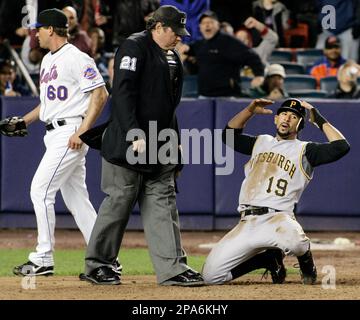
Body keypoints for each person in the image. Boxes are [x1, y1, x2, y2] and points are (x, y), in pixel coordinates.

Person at [82, 5, 204, 286]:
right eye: (176, 32)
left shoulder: (172, 56)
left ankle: (173, 268)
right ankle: (98, 265)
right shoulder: (134, 46)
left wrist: (175, 142)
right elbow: (122, 93)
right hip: (129, 143)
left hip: (160, 144)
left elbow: (167, 108)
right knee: (119, 203)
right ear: (159, 27)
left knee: (164, 203)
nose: (180, 38)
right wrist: (134, 133)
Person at [202, 98, 350, 285]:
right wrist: (249, 110)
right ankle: (267, 260)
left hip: (278, 219)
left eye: (294, 116)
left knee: (297, 242)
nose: (287, 118)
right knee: (210, 277)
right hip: (246, 222)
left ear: (300, 124)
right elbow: (227, 136)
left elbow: (341, 147)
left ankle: (307, 264)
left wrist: (318, 120)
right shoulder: (260, 142)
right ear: (276, 118)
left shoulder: (305, 150)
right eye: (284, 114)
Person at [11, 8, 109, 276]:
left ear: (51, 29)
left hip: (70, 133)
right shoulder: (47, 61)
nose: (36, 34)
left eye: (39, 29)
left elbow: (100, 94)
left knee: (40, 191)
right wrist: (24, 121)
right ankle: (105, 258)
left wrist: (83, 131)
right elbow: (48, 104)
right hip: (55, 132)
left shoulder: (77, 58)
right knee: (78, 200)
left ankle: (43, 256)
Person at [181, 10, 264, 97]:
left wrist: (259, 75)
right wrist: (186, 49)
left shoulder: (229, 41)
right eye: (203, 23)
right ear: (200, 27)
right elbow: (189, 51)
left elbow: (252, 56)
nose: (207, 25)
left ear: (218, 25)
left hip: (227, 96)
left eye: (210, 22)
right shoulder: (199, 45)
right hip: (204, 95)